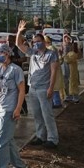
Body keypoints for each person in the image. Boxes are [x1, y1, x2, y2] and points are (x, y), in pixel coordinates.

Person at [15, 19, 60, 149]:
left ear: (44, 42)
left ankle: (53, 138)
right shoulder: (33, 53)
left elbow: (53, 71)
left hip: (44, 88)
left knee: (47, 114)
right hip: (33, 88)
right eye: (34, 42)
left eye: (38, 42)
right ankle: (41, 136)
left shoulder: (51, 54)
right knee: (37, 114)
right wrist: (19, 31)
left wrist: (51, 88)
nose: (36, 44)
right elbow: (19, 44)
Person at [62, 34, 82, 104]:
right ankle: (68, 96)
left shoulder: (73, 51)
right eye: (65, 39)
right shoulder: (64, 47)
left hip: (72, 70)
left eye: (67, 38)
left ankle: (75, 97)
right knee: (66, 83)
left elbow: (69, 59)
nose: (66, 40)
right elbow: (62, 59)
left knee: (73, 83)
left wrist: (63, 55)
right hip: (65, 69)